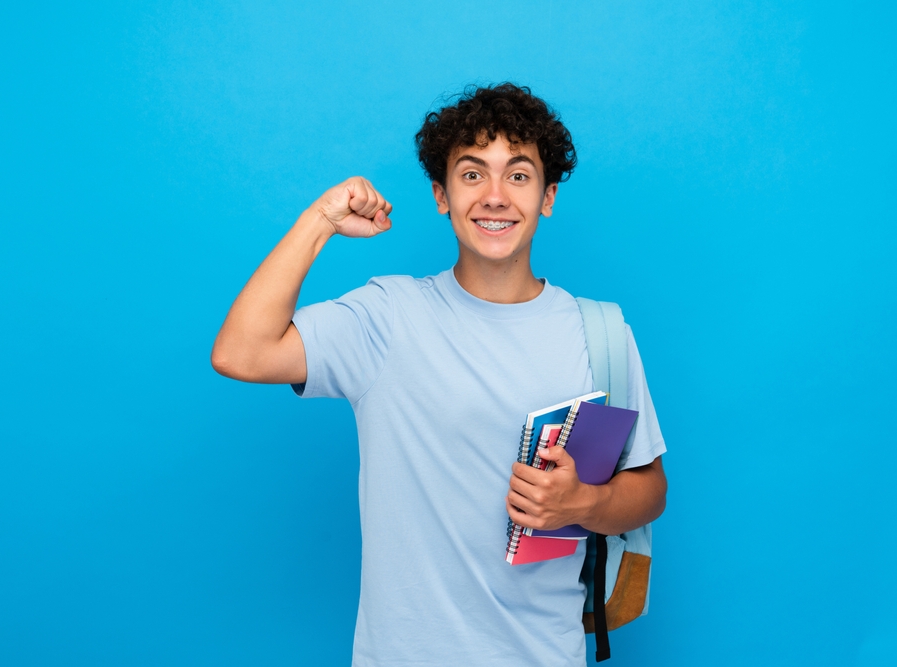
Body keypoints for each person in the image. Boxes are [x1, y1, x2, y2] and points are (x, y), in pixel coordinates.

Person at [211, 83, 667, 666]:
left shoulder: (601, 333)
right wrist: (320, 220)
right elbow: (240, 353)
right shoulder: (386, 316)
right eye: (472, 174)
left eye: (519, 175)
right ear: (441, 195)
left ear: (548, 196)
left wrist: (581, 502)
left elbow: (649, 490)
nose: (496, 196)